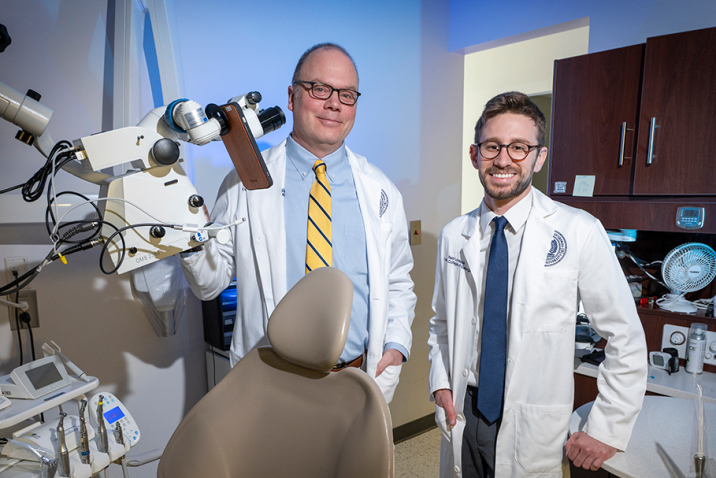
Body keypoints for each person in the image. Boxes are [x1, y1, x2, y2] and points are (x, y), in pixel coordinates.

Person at [180, 43, 416, 403]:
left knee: (355, 463)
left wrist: (396, 346)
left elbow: (398, 279)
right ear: (292, 97)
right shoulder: (245, 181)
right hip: (274, 381)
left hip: (356, 379)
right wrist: (188, 237)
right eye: (320, 89)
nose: (334, 103)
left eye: (347, 94)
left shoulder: (380, 189)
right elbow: (209, 284)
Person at [427, 91, 647, 477]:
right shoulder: (453, 235)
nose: (503, 159)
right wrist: (441, 384)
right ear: (475, 154)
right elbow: (441, 323)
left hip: (534, 423)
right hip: (464, 409)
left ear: (538, 157)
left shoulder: (578, 230)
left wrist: (607, 428)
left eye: (519, 147)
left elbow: (625, 337)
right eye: (492, 146)